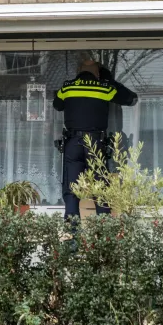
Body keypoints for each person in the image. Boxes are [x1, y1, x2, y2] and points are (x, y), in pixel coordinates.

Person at [53, 59, 138, 223]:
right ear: (97, 73)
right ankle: (103, 236)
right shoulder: (104, 88)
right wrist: (110, 81)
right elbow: (131, 99)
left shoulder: (68, 87)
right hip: (95, 143)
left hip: (72, 142)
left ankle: (72, 239)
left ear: (78, 72)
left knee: (72, 191)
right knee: (101, 192)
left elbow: (57, 105)